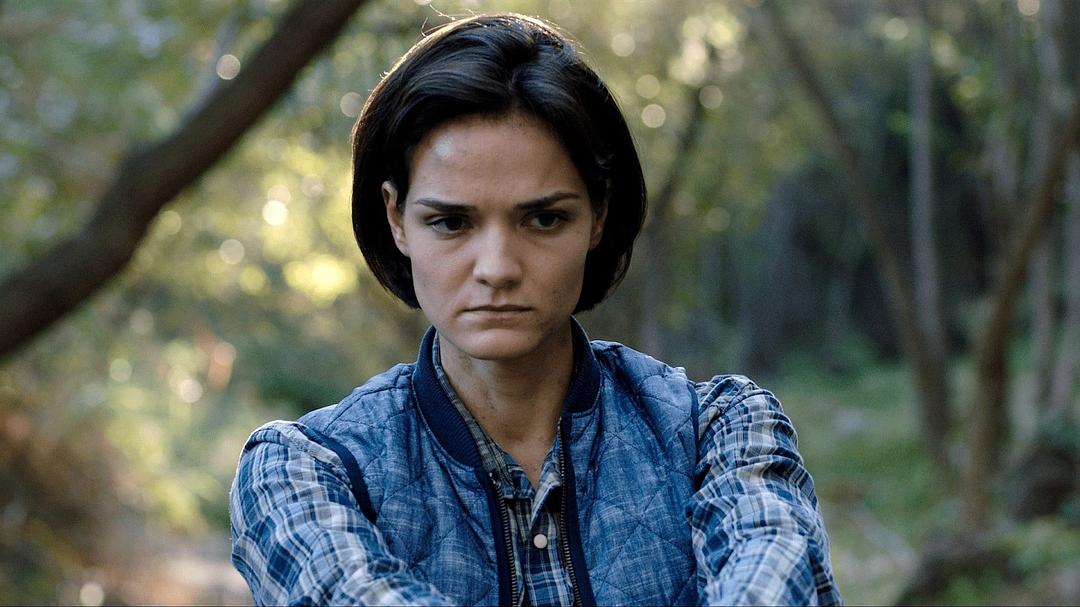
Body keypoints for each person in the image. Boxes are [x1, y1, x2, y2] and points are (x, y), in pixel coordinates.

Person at [230, 13, 841, 606]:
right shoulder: (306, 472)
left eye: (544, 219)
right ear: (396, 219)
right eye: (451, 222)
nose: (497, 267)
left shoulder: (721, 432)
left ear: (598, 215)